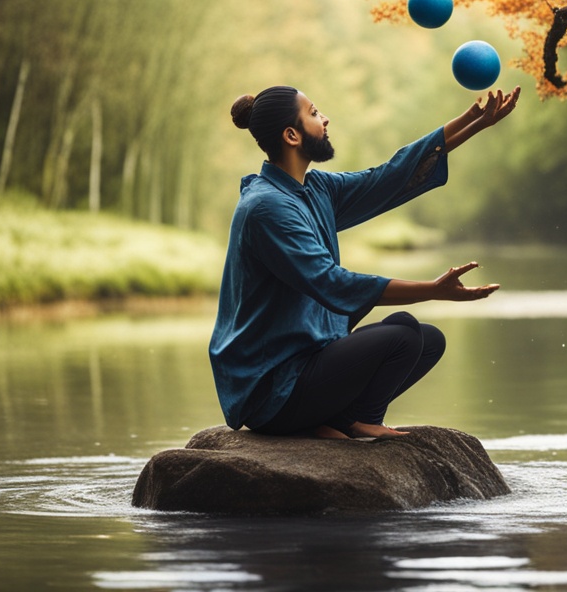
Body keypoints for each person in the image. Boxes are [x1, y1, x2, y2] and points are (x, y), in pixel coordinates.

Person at [211, 83, 520, 440]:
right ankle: (358, 420)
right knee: (401, 339)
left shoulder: (317, 190)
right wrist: (432, 290)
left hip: (305, 362)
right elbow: (330, 282)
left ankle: (335, 419)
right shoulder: (266, 207)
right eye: (314, 113)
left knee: (424, 338)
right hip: (271, 388)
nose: (325, 119)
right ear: (292, 135)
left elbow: (388, 176)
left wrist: (474, 121)